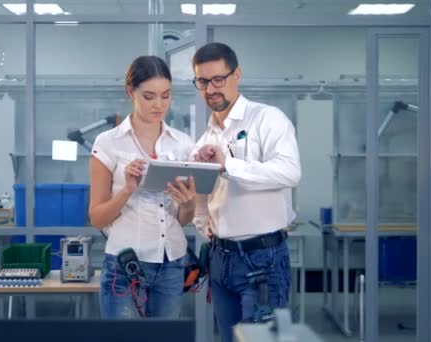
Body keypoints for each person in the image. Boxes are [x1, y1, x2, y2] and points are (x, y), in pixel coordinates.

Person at [191, 42, 301, 342]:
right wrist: (202, 223)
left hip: (262, 258)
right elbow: (202, 195)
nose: (211, 89)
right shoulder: (205, 138)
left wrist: (229, 165)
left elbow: (290, 172)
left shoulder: (267, 118)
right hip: (220, 258)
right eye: (203, 81)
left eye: (218, 79)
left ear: (236, 74)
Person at [89, 55, 197, 319]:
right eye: (149, 96)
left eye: (165, 95)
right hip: (126, 266)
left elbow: (183, 220)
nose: (159, 105)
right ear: (131, 92)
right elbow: (97, 218)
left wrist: (188, 203)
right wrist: (127, 189)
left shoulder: (182, 144)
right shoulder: (108, 143)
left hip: (172, 264)